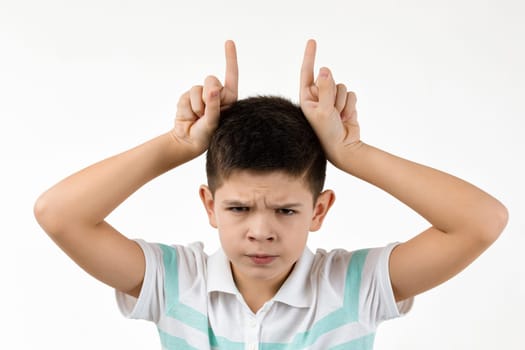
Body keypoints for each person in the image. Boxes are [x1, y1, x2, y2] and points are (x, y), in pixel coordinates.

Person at [34, 40, 508, 349]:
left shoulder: (352, 287)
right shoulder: (176, 283)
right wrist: (176, 145)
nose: (261, 232)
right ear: (209, 205)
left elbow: (482, 221)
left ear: (319, 209)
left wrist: (352, 152)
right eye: (238, 208)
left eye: (286, 210)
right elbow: (58, 214)